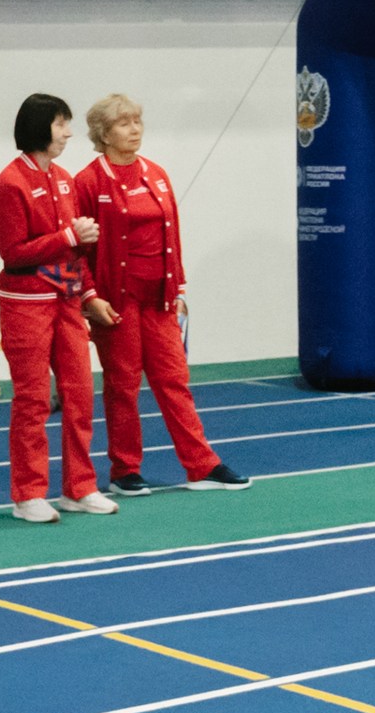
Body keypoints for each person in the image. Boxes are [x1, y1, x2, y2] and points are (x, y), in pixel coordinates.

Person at [71, 94, 249, 496]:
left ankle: (201, 464)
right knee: (123, 385)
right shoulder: (88, 182)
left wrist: (179, 287)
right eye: (123, 124)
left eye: (137, 121)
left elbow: (171, 235)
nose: (134, 130)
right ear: (104, 133)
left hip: (160, 297)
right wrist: (90, 296)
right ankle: (124, 470)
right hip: (116, 301)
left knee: (174, 380)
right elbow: (77, 250)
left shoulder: (156, 174)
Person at [0, 93, 118, 522]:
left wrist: (89, 294)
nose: (68, 133)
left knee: (80, 393)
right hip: (26, 305)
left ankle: (79, 487)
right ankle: (28, 494)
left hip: (67, 302)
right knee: (33, 399)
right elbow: (12, 252)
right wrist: (67, 237)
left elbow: (75, 252)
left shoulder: (64, 179)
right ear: (39, 127)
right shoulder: (10, 183)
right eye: (61, 124)